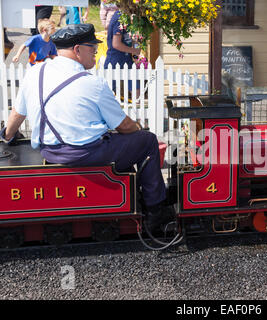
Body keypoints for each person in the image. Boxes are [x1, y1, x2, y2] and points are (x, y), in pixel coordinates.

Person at [1, 24, 167, 231]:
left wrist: (7, 136)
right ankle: (155, 209)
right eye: (93, 49)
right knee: (147, 140)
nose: (96, 53)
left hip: (48, 151)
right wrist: (139, 127)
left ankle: (127, 192)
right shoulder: (93, 83)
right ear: (77, 49)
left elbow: (17, 113)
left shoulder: (35, 72)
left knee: (117, 140)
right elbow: (124, 126)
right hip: (84, 153)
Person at [104, 10, 141, 99]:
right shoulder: (119, 18)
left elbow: (133, 39)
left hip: (127, 58)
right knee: (107, 92)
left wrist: (136, 49)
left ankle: (136, 109)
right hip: (114, 59)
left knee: (136, 89)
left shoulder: (129, 18)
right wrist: (134, 51)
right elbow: (116, 44)